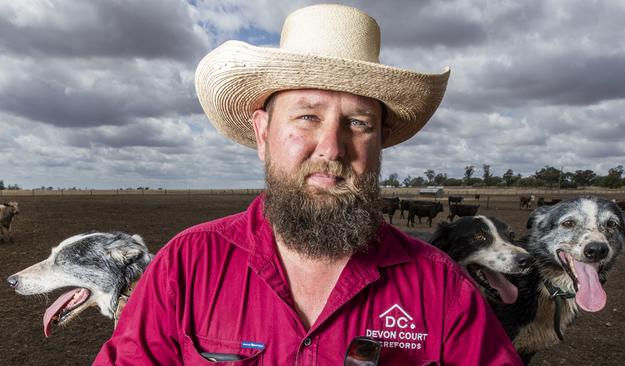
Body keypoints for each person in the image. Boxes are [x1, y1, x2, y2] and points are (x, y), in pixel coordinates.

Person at [94, 4, 522, 365]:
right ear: (263, 133)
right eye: (307, 117)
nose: (333, 148)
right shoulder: (186, 266)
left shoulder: (442, 288)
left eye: (358, 123)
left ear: (381, 142)